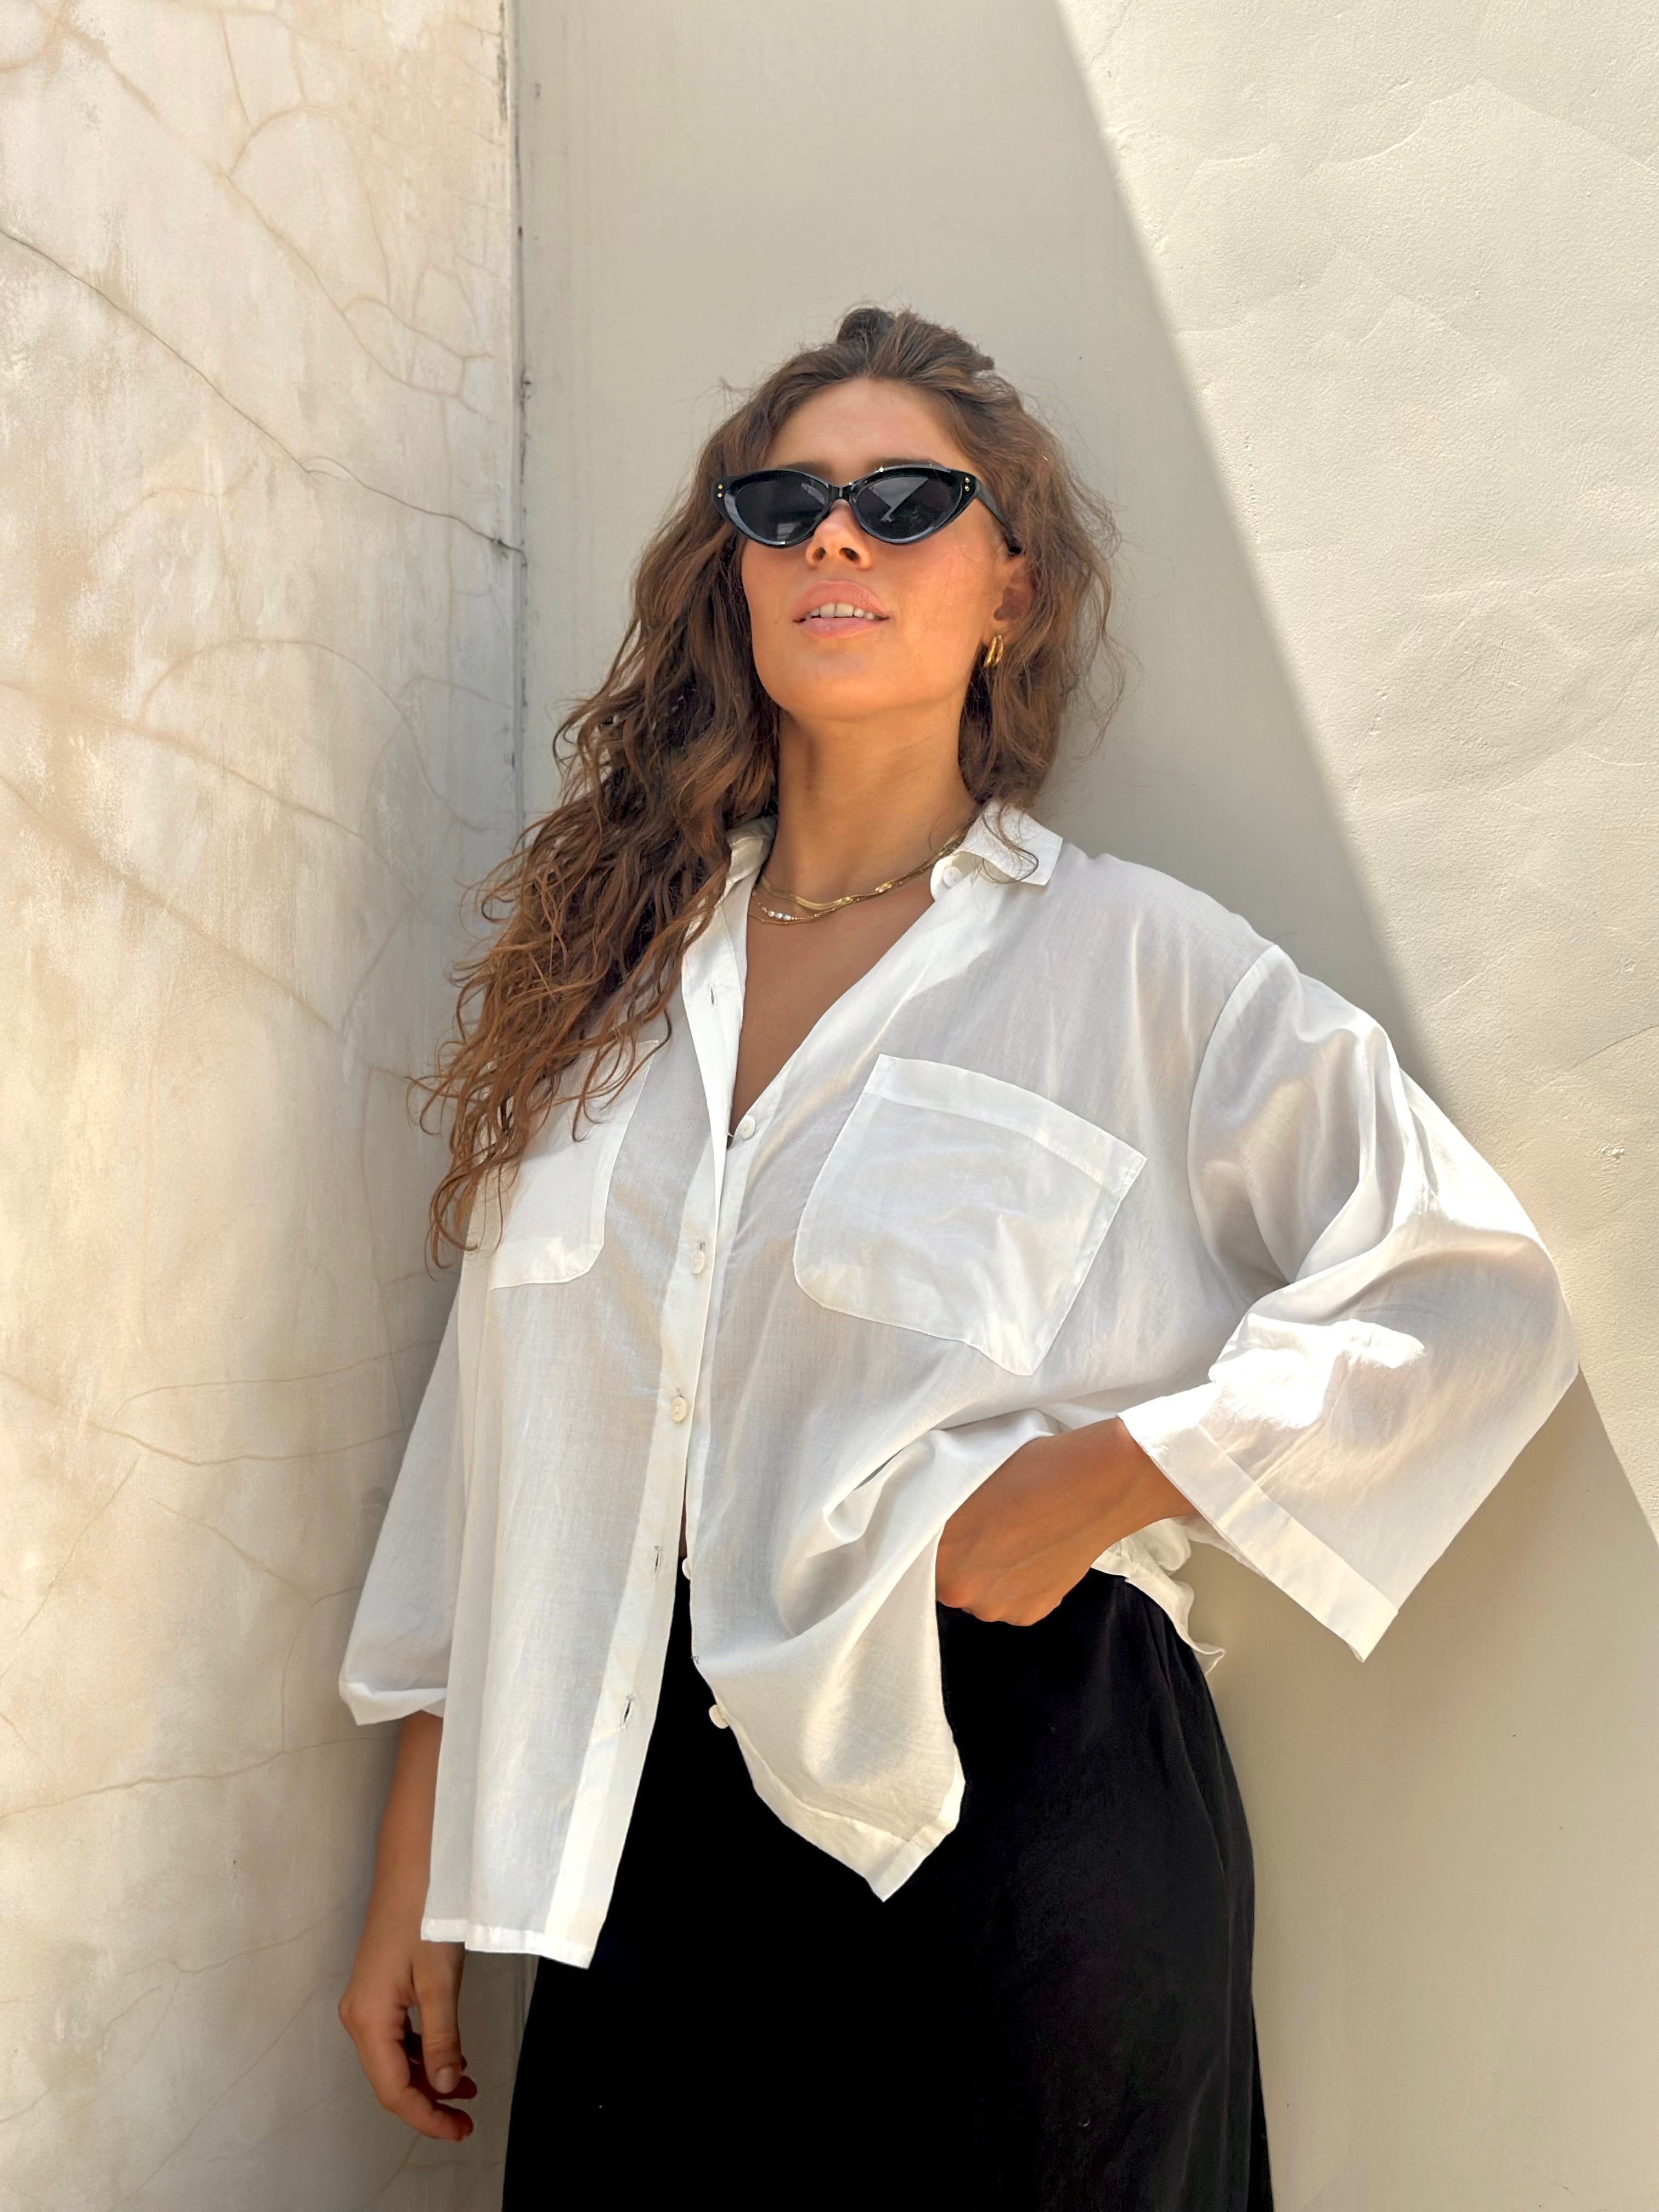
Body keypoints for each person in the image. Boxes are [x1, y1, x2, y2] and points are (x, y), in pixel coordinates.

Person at [335, 307, 1576, 2209]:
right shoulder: (609, 1009)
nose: (837, 535)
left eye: (908, 501)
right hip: (636, 1848)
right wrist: (421, 1864)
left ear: (1013, 589)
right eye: (785, 505)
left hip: (1018, 1812)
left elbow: (1470, 1281)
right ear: (735, 578)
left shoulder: (1133, 965)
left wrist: (1112, 1476)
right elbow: (495, 1456)